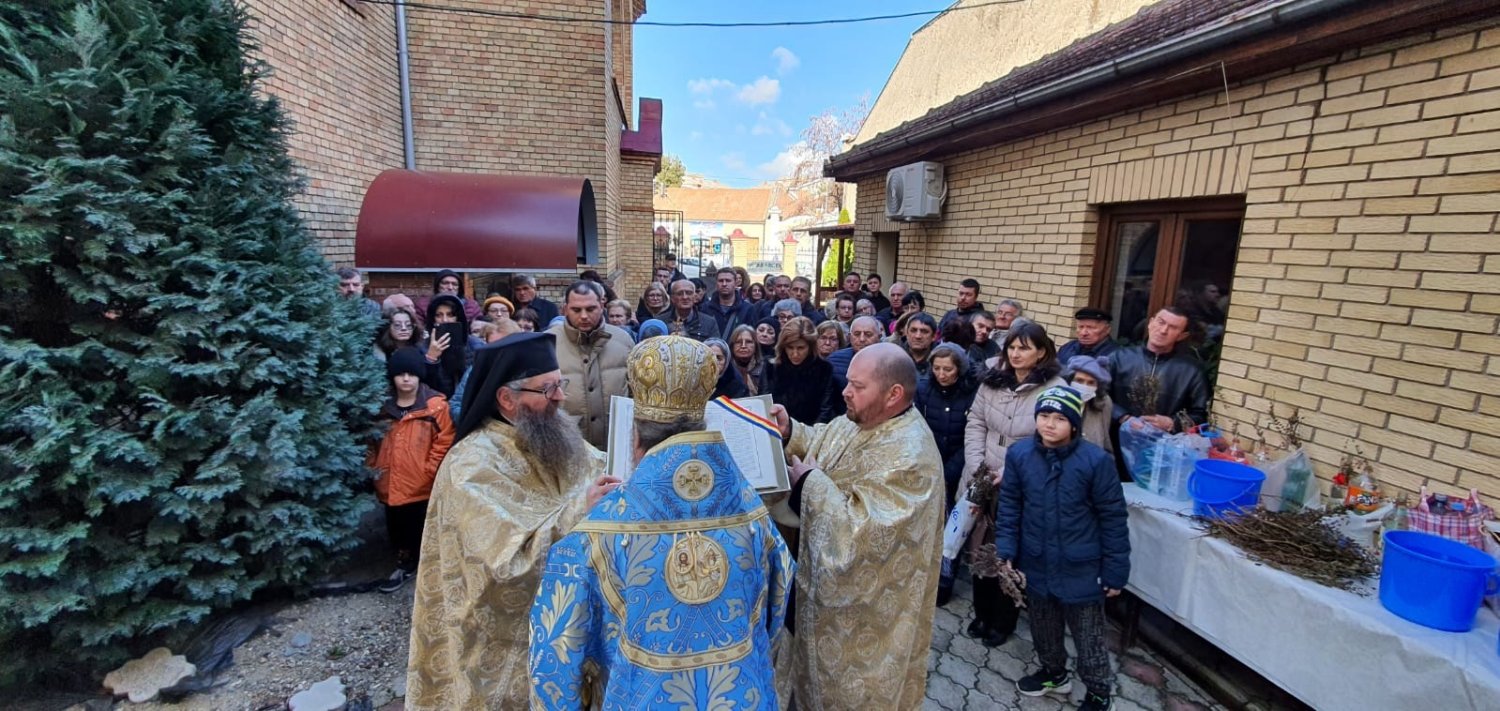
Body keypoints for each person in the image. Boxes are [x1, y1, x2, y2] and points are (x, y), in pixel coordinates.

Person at [528, 336, 794, 708]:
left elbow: (554, 661)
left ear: (635, 436)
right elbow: (776, 608)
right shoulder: (753, 515)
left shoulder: (593, 534)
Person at [406, 333, 617, 710]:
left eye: (561, 384)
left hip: (572, 627)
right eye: (548, 388)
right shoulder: (471, 466)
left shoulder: (556, 433)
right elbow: (503, 567)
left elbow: (600, 467)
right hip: (502, 645)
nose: (560, 397)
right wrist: (580, 511)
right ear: (507, 398)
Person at [769, 343, 944, 710]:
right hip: (813, 596)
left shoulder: (912, 456)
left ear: (894, 394)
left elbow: (862, 539)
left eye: (857, 386)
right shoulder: (859, 418)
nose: (846, 391)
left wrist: (809, 483)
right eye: (848, 382)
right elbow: (825, 442)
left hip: (865, 627)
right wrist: (790, 434)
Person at [995, 386, 1129, 711]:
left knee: (1088, 635)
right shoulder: (1020, 455)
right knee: (1043, 625)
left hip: (1081, 567)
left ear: (1074, 424)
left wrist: (1115, 570)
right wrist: (1006, 549)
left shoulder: (1095, 462)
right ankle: (1054, 673)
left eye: (1059, 418)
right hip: (1036, 561)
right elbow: (1010, 504)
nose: (1049, 425)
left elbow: (1112, 517)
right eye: (1043, 416)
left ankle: (1098, 692)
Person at [961, 320, 1065, 648]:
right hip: (982, 473)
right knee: (979, 543)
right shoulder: (992, 380)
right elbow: (976, 420)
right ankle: (981, 613)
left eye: (1025, 348)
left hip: (1022, 480)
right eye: (1012, 347)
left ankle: (1003, 619)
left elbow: (1050, 437)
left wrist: (1012, 468)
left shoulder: (1054, 388)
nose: (1016, 354)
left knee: (1009, 551)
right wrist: (977, 462)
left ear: (1042, 352)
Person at [368, 347, 455, 593]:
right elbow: (370, 442)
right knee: (397, 528)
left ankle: (429, 568)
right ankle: (405, 563)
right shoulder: (381, 409)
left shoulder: (435, 407)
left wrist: (429, 469)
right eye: (400, 374)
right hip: (389, 480)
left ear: (420, 376)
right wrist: (374, 468)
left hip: (421, 483)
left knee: (423, 526)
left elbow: (444, 439)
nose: (406, 379)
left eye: (412, 374)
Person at [548, 281, 634, 449]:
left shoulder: (624, 341)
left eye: (590, 309)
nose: (584, 316)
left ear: (602, 306)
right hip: (567, 447)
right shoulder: (548, 344)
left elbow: (635, 394)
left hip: (616, 445)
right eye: (576, 310)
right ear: (565, 309)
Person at [1108, 307, 1209, 435]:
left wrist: (1173, 423)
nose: (1163, 331)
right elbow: (1099, 396)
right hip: (1115, 438)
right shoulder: (1118, 358)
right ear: (1150, 323)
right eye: (1161, 322)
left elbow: (1201, 415)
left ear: (1182, 336)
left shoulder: (1192, 371)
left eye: (1173, 327)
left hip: (1164, 445)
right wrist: (1123, 417)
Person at [769, 317, 835, 426]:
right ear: (783, 347)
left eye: (800, 348)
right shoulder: (771, 367)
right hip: (777, 430)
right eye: (790, 347)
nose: (795, 354)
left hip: (811, 432)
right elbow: (766, 405)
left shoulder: (824, 369)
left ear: (810, 347)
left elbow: (825, 409)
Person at [423, 294, 484, 398]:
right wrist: (431, 359)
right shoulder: (423, 346)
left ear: (458, 317)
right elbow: (426, 387)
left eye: (450, 315)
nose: (445, 320)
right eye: (439, 315)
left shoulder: (475, 345)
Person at [1064, 355, 1116, 454]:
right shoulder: (1057, 399)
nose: (1084, 386)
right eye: (1079, 380)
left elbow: (1105, 438)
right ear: (1070, 380)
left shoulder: (1103, 402)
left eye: (1091, 383)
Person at [700, 266, 756, 335]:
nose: (724, 284)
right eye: (721, 281)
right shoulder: (705, 308)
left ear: (735, 283)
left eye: (728, 281)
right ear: (716, 283)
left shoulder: (748, 309)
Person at [416, 269, 483, 325]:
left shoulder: (471, 305)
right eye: (445, 283)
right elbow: (418, 329)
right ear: (437, 286)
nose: (450, 287)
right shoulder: (423, 305)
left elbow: (479, 328)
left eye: (455, 284)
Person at [728, 324, 770, 395]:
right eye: (738, 342)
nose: (743, 346)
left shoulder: (766, 369)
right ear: (732, 346)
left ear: (755, 345)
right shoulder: (726, 370)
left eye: (748, 342)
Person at [903, 312, 938, 378]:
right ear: (907, 333)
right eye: (913, 330)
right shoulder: (895, 357)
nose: (918, 336)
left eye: (924, 331)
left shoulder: (941, 361)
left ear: (934, 336)